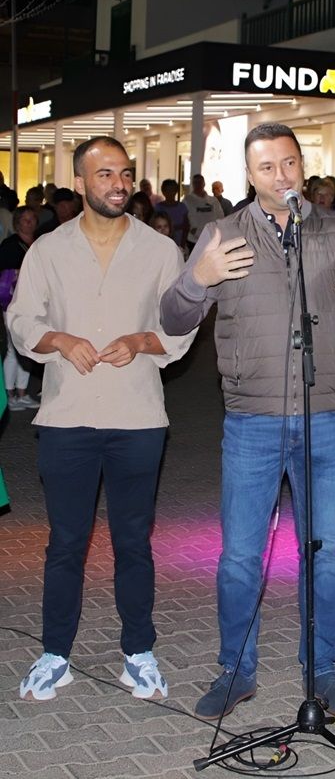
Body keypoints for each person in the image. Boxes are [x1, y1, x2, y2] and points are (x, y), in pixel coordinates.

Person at [160, 122, 335, 720]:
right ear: (250, 175)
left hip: (325, 418)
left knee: (323, 554)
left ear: (304, 167)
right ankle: (235, 669)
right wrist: (199, 279)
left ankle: (322, 671)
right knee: (241, 555)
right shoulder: (222, 235)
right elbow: (172, 319)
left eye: (290, 163)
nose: (282, 176)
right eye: (268, 166)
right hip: (251, 420)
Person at [9, 136, 196, 701]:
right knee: (66, 541)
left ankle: (139, 651)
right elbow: (20, 318)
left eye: (126, 174)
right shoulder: (47, 249)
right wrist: (58, 339)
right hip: (66, 418)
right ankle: (55, 653)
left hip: (138, 418)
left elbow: (182, 325)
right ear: (81, 182)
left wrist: (144, 340)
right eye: (105, 174)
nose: (119, 184)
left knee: (133, 541)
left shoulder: (161, 250)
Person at [1, 207, 39, 410]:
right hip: (11, 303)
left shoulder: (40, 243)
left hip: (35, 303)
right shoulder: (10, 245)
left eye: (32, 218)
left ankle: (23, 392)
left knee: (29, 347)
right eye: (25, 219)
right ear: (17, 222)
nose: (29, 222)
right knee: (11, 348)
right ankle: (10, 394)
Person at [184, 174, 222, 248]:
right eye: (195, 182)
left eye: (200, 182)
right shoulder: (187, 200)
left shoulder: (213, 200)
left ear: (204, 184)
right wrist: (193, 230)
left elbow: (221, 217)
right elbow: (184, 218)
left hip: (211, 239)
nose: (198, 185)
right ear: (193, 184)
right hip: (194, 240)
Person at [154, 179, 188, 247]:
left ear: (176, 191)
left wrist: (182, 244)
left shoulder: (182, 207)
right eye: (167, 190)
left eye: (172, 190)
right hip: (162, 243)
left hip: (179, 243)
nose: (170, 193)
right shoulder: (158, 207)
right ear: (163, 191)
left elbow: (186, 227)